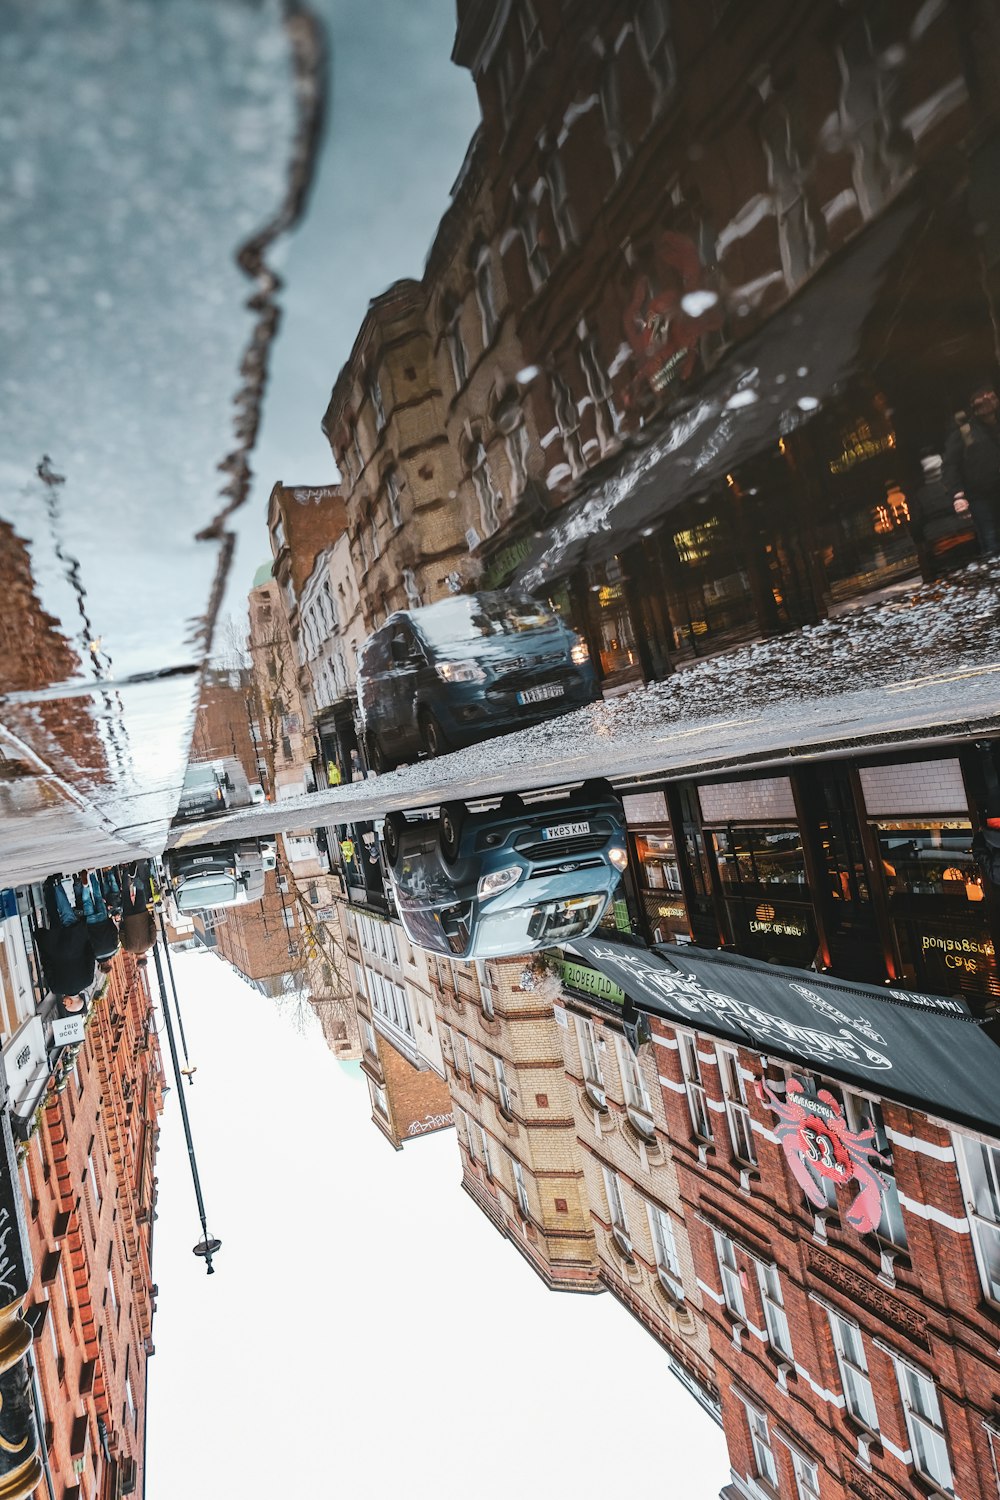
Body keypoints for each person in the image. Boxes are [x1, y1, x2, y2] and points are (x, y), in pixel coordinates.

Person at [943, 387, 1000, 557]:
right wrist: (958, 495)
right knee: (991, 541)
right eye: (982, 401)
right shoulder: (965, 432)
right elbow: (950, 465)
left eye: (991, 399)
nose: (987, 404)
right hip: (979, 495)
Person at [908, 451, 975, 582]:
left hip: (938, 540)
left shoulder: (920, 494)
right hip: (964, 531)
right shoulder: (955, 484)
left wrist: (920, 541)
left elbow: (916, 522)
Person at [36, 877, 104, 1003]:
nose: (63, 1003)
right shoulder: (56, 988)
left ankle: (56, 886)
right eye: (67, 1005)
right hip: (56, 947)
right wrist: (46, 950)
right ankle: (48, 889)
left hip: (75, 943)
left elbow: (90, 958)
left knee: (67, 914)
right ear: (72, 1001)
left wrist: (86, 941)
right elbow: (47, 968)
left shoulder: (87, 981)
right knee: (53, 916)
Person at [73, 870, 120, 962]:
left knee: (98, 896)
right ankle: (85, 887)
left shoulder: (114, 949)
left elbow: (114, 932)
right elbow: (87, 942)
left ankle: (91, 875)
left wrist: (110, 920)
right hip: (91, 924)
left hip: (103, 920)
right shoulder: (94, 954)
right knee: (86, 901)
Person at [118, 861, 157, 959]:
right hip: (128, 918)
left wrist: (148, 916)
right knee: (126, 894)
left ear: (145, 957)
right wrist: (122, 923)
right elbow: (121, 933)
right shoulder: (128, 948)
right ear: (137, 959)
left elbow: (152, 927)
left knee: (140, 891)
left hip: (142, 914)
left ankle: (135, 873)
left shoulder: (150, 943)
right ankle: (125, 870)